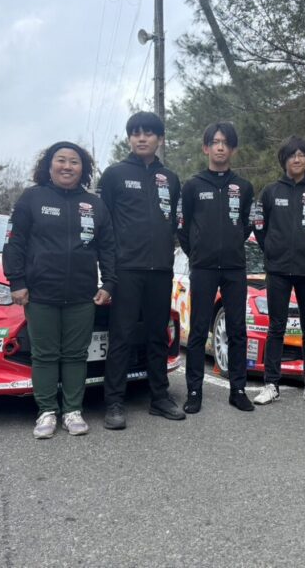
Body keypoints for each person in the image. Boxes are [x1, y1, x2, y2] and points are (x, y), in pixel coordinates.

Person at [3, 141, 116, 439]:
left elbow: (108, 247)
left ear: (83, 168)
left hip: (82, 294)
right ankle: (46, 411)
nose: (67, 166)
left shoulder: (94, 204)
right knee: (44, 354)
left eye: (74, 162)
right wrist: (17, 281)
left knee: (76, 354)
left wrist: (109, 283)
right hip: (40, 293)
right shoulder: (32, 198)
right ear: (49, 165)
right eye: (61, 160)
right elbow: (15, 242)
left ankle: (73, 411)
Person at [99, 111, 184, 429]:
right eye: (135, 133)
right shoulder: (114, 175)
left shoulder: (170, 178)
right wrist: (108, 271)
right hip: (126, 270)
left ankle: (159, 397)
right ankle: (114, 402)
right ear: (129, 138)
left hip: (160, 269)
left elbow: (175, 222)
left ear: (160, 139)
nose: (142, 138)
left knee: (157, 335)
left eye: (148, 133)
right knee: (121, 336)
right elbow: (103, 225)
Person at [252, 136, 305, 407]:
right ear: (284, 160)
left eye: (302, 155)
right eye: (292, 155)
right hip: (278, 269)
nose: (297, 159)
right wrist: (272, 250)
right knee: (276, 326)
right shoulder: (270, 192)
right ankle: (271, 384)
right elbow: (259, 226)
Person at [177, 122, 255, 414]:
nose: (220, 147)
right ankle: (194, 391)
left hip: (234, 267)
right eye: (215, 142)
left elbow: (247, 224)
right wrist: (198, 253)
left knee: (237, 329)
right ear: (205, 148)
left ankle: (238, 390)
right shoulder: (193, 185)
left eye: (225, 143)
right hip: (203, 267)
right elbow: (182, 227)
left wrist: (230, 245)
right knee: (198, 330)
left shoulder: (244, 187)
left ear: (233, 149)